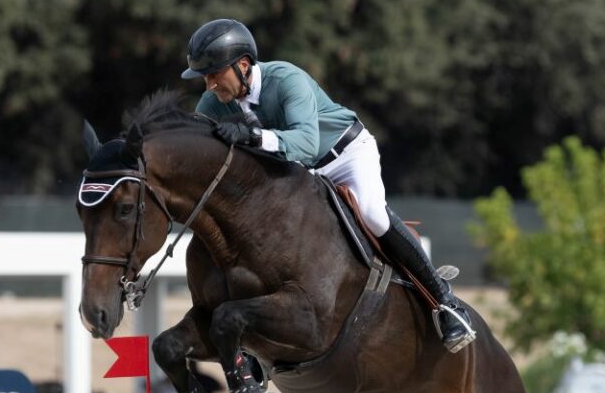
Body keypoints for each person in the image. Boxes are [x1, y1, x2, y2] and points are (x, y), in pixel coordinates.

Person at [181, 18, 475, 352]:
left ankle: (445, 302)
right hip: (300, 173)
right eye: (204, 77)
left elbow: (306, 142)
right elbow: (195, 145)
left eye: (214, 74)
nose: (208, 86)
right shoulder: (213, 103)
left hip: (345, 156)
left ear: (243, 65)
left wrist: (251, 135)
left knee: (373, 215)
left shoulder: (287, 79)